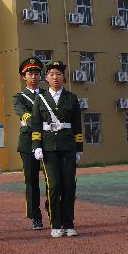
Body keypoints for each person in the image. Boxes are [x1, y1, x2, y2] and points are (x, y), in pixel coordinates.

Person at [30, 60, 84, 238]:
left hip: (68, 146)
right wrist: (36, 146)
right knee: (53, 185)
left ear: (63, 77)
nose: (55, 77)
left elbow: (77, 125)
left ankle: (68, 224)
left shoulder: (71, 98)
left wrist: (78, 148)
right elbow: (36, 124)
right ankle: (55, 224)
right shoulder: (41, 98)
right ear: (46, 77)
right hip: (48, 148)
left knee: (69, 186)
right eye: (52, 74)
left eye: (59, 74)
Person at [12, 57, 45, 229]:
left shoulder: (47, 95)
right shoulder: (19, 98)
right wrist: (41, 122)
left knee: (52, 180)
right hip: (28, 142)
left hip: (48, 141)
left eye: (36, 73)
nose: (33, 76)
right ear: (23, 77)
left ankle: (52, 209)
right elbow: (24, 115)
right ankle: (36, 216)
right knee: (32, 181)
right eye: (30, 73)